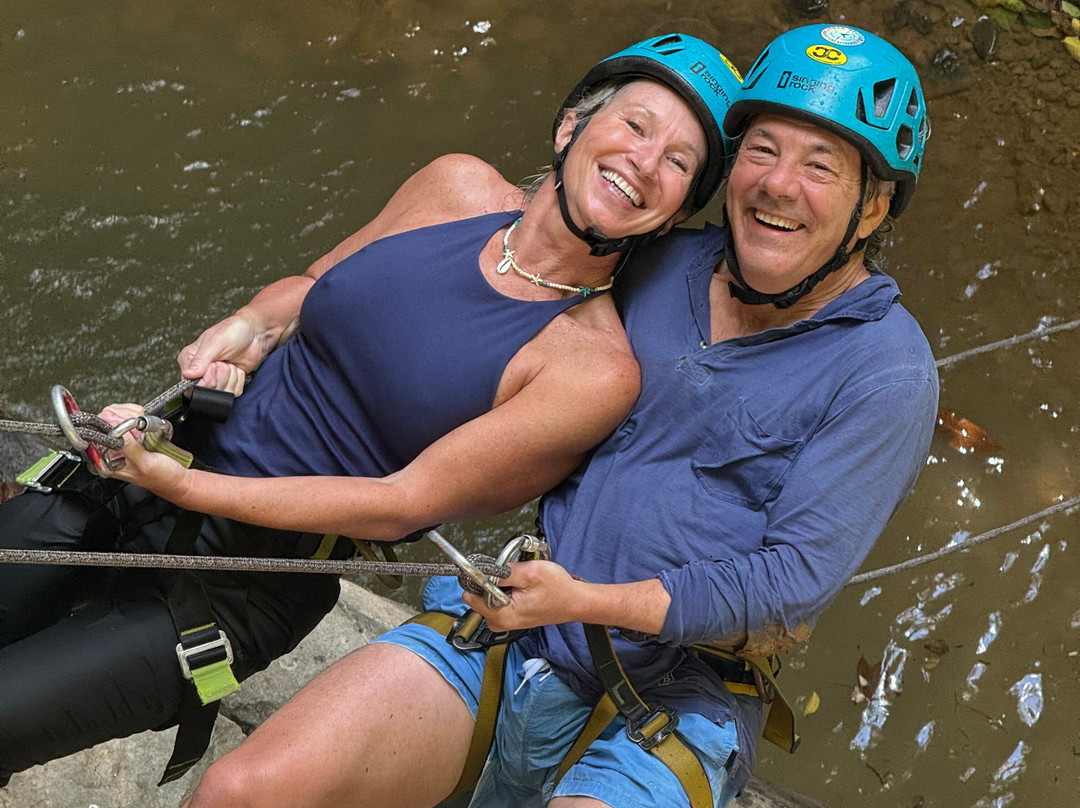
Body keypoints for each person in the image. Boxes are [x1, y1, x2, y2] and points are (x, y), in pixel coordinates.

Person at [179, 24, 938, 808]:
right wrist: (272, 326)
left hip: (675, 702)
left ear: (873, 207)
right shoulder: (660, 258)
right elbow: (515, 245)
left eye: (821, 167)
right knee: (239, 793)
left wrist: (585, 600)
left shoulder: (885, 370)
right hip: (508, 639)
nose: (780, 185)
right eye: (763, 151)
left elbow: (787, 588)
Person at [0, 34, 742, 789]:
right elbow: (315, 287)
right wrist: (249, 325)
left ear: (675, 210)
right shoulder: (455, 188)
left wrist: (181, 487)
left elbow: (398, 505)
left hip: (237, 585)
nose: (645, 164)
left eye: (679, 163)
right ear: (570, 127)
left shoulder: (590, 368)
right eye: (636, 126)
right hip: (134, 478)